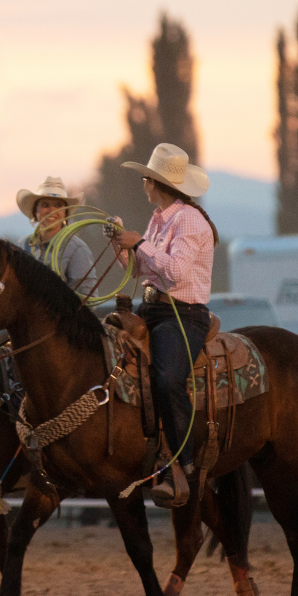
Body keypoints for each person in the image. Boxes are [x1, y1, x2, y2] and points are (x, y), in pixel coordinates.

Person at [111, 143, 217, 508]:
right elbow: (141, 270)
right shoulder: (161, 218)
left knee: (168, 378)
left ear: (154, 182)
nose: (143, 182)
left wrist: (137, 241)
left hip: (182, 314)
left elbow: (174, 273)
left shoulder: (187, 219)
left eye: (146, 177)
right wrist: (122, 247)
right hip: (154, 309)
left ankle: (183, 462)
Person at [15, 177, 98, 297]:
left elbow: (88, 300)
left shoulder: (77, 249)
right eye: (45, 205)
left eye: (58, 205)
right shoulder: (23, 245)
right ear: (35, 211)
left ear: (65, 213)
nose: (51, 210)